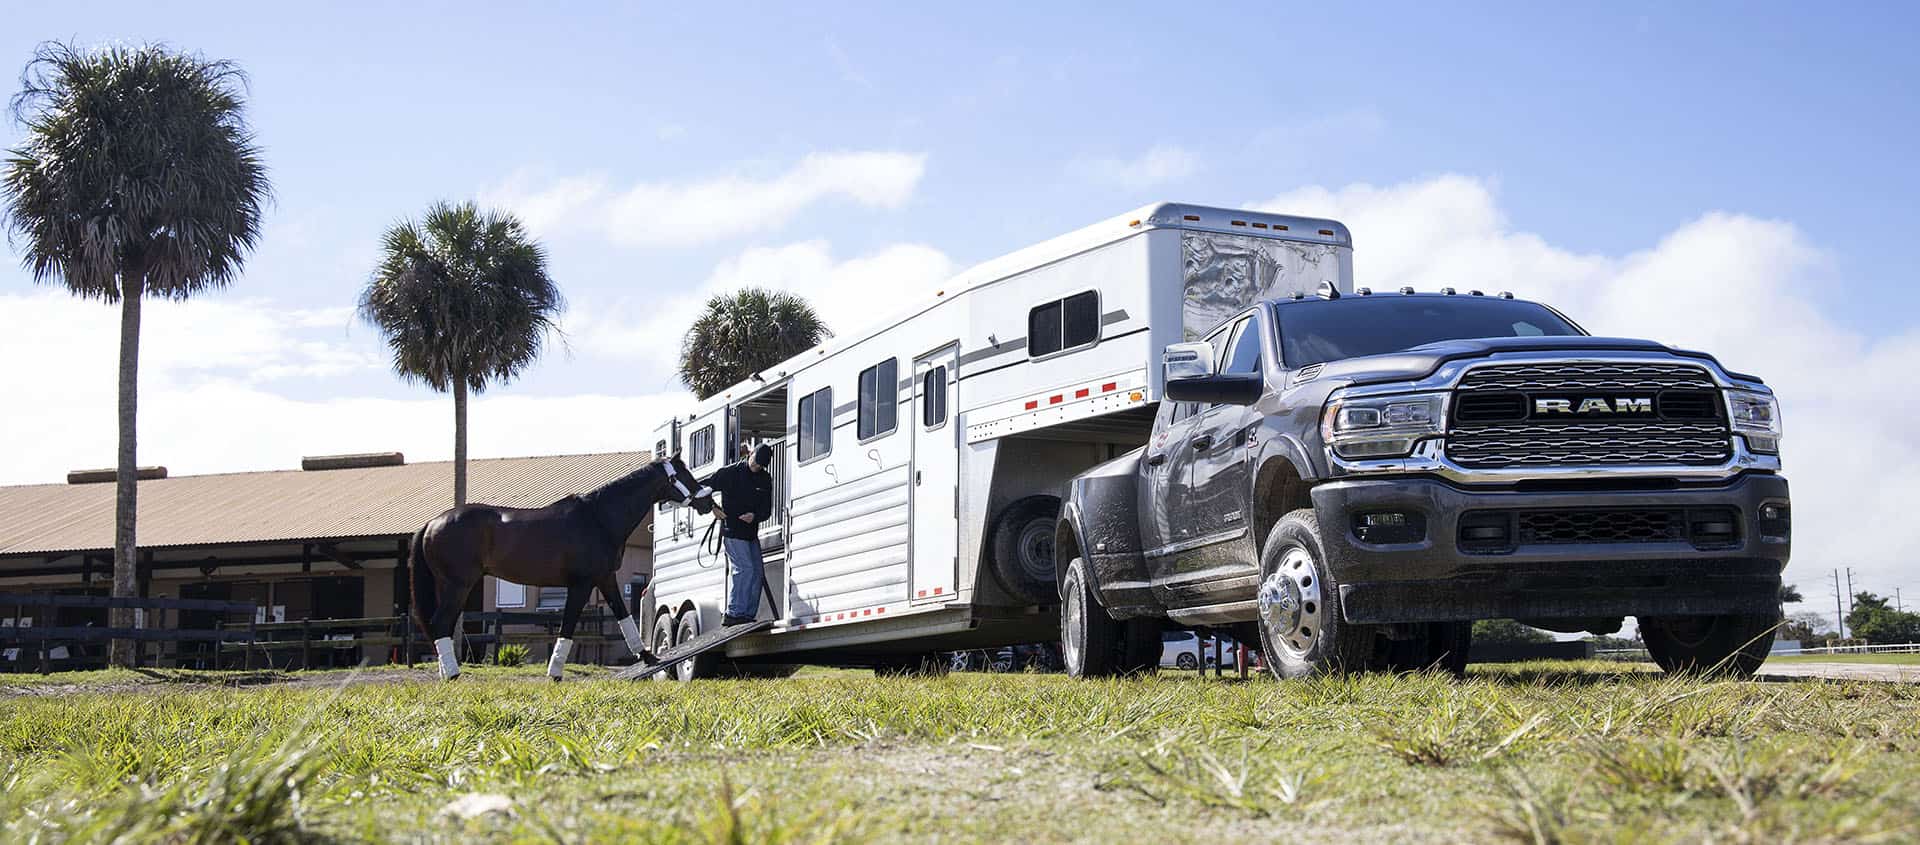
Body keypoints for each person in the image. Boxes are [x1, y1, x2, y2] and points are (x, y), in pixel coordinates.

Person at [701, 442, 775, 626]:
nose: (756, 467)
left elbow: (767, 510)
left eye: (760, 466)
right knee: (745, 569)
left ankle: (747, 615)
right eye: (755, 462)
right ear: (751, 454)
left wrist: (755, 516)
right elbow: (702, 488)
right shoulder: (730, 473)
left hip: (751, 533)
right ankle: (734, 613)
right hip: (732, 532)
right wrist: (713, 507)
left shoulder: (765, 480)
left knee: (757, 572)